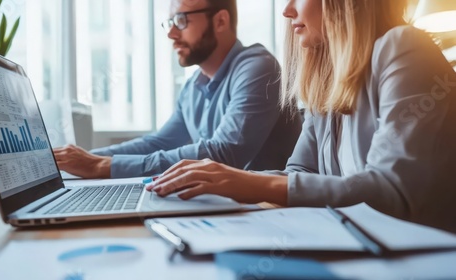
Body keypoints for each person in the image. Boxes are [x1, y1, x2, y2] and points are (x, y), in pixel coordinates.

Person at [147, 0, 456, 233]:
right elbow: (299, 172)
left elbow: (390, 191)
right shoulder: (326, 81)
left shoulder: (403, 48)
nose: (287, 10)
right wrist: (224, 183)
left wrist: (245, 182)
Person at [53, 0, 302, 179]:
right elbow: (158, 142)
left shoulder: (258, 67)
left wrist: (102, 166)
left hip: (269, 209)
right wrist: (86, 158)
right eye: (170, 22)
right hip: (231, 205)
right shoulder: (193, 86)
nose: (171, 33)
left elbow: (224, 153)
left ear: (221, 20)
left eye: (181, 20)